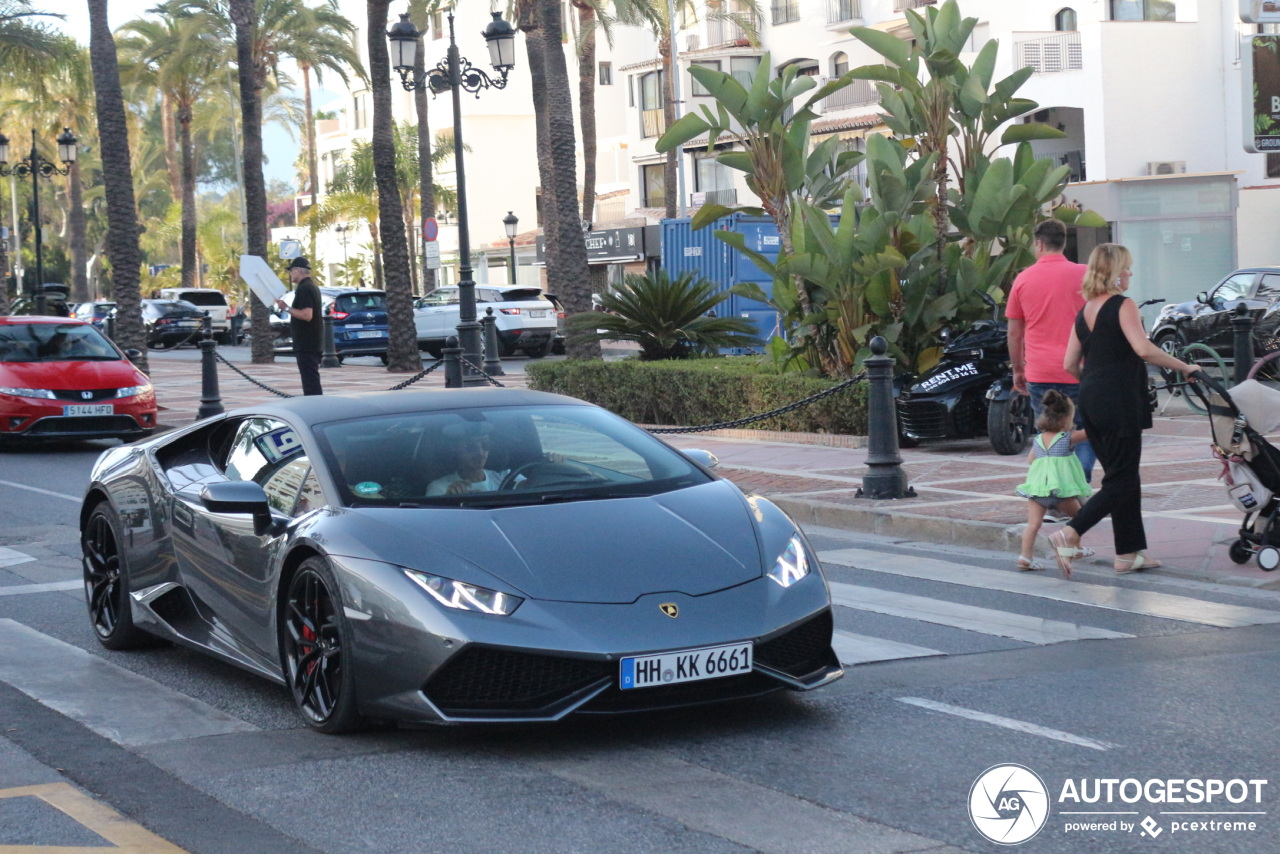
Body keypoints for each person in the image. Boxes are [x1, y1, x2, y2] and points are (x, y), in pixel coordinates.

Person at [1046, 243, 1201, 578]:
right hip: (1120, 400)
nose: (1130, 272)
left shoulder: (1084, 310)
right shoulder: (1123, 304)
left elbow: (1070, 363)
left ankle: (1128, 554)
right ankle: (1070, 532)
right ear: (1115, 272)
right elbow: (1143, 349)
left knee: (1122, 475)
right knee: (1122, 479)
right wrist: (1186, 368)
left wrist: (1095, 383)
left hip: (1092, 397)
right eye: (1127, 267)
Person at [1007, 218, 1095, 484]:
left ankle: (1053, 492)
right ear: (1064, 242)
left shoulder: (1023, 279)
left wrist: (1018, 369)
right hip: (1081, 369)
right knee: (1084, 429)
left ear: (1038, 244)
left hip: (1040, 371)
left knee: (1047, 435)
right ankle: (1078, 488)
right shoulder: (1085, 274)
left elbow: (1014, 332)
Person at [1014, 390, 1092, 570]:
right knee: (1080, 518)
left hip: (1038, 490)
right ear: (1066, 419)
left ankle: (1025, 557)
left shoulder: (1039, 439)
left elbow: (1031, 460)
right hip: (1060, 491)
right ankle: (1076, 548)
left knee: (1033, 525)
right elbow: (1091, 432)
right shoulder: (1067, 438)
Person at [275, 257, 323, 396]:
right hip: (312, 341)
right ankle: (315, 403)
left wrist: (286, 308)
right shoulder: (312, 286)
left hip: (306, 342)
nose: (290, 274)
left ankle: (315, 406)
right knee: (311, 378)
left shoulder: (305, 289)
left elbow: (307, 315)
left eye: (291, 271)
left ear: (297, 270)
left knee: (310, 380)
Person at [427, 423, 506, 496]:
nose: (480, 452)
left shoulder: (505, 479)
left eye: (486, 444)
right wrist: (448, 499)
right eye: (470, 446)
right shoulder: (439, 488)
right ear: (455, 450)